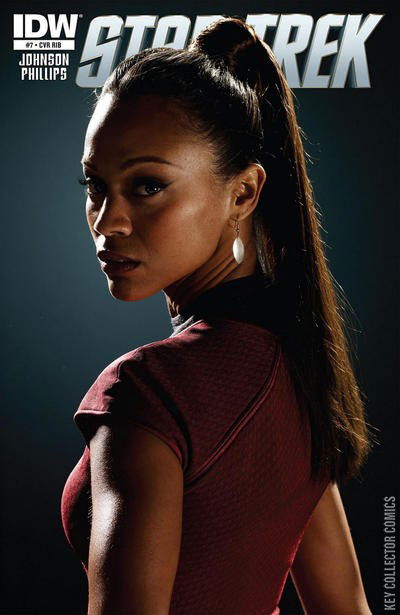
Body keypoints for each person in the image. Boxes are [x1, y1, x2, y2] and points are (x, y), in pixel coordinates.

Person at [61, 17, 374, 615]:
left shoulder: (147, 393)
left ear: (243, 193)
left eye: (147, 186)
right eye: (94, 185)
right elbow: (348, 606)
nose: (106, 221)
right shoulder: (300, 373)